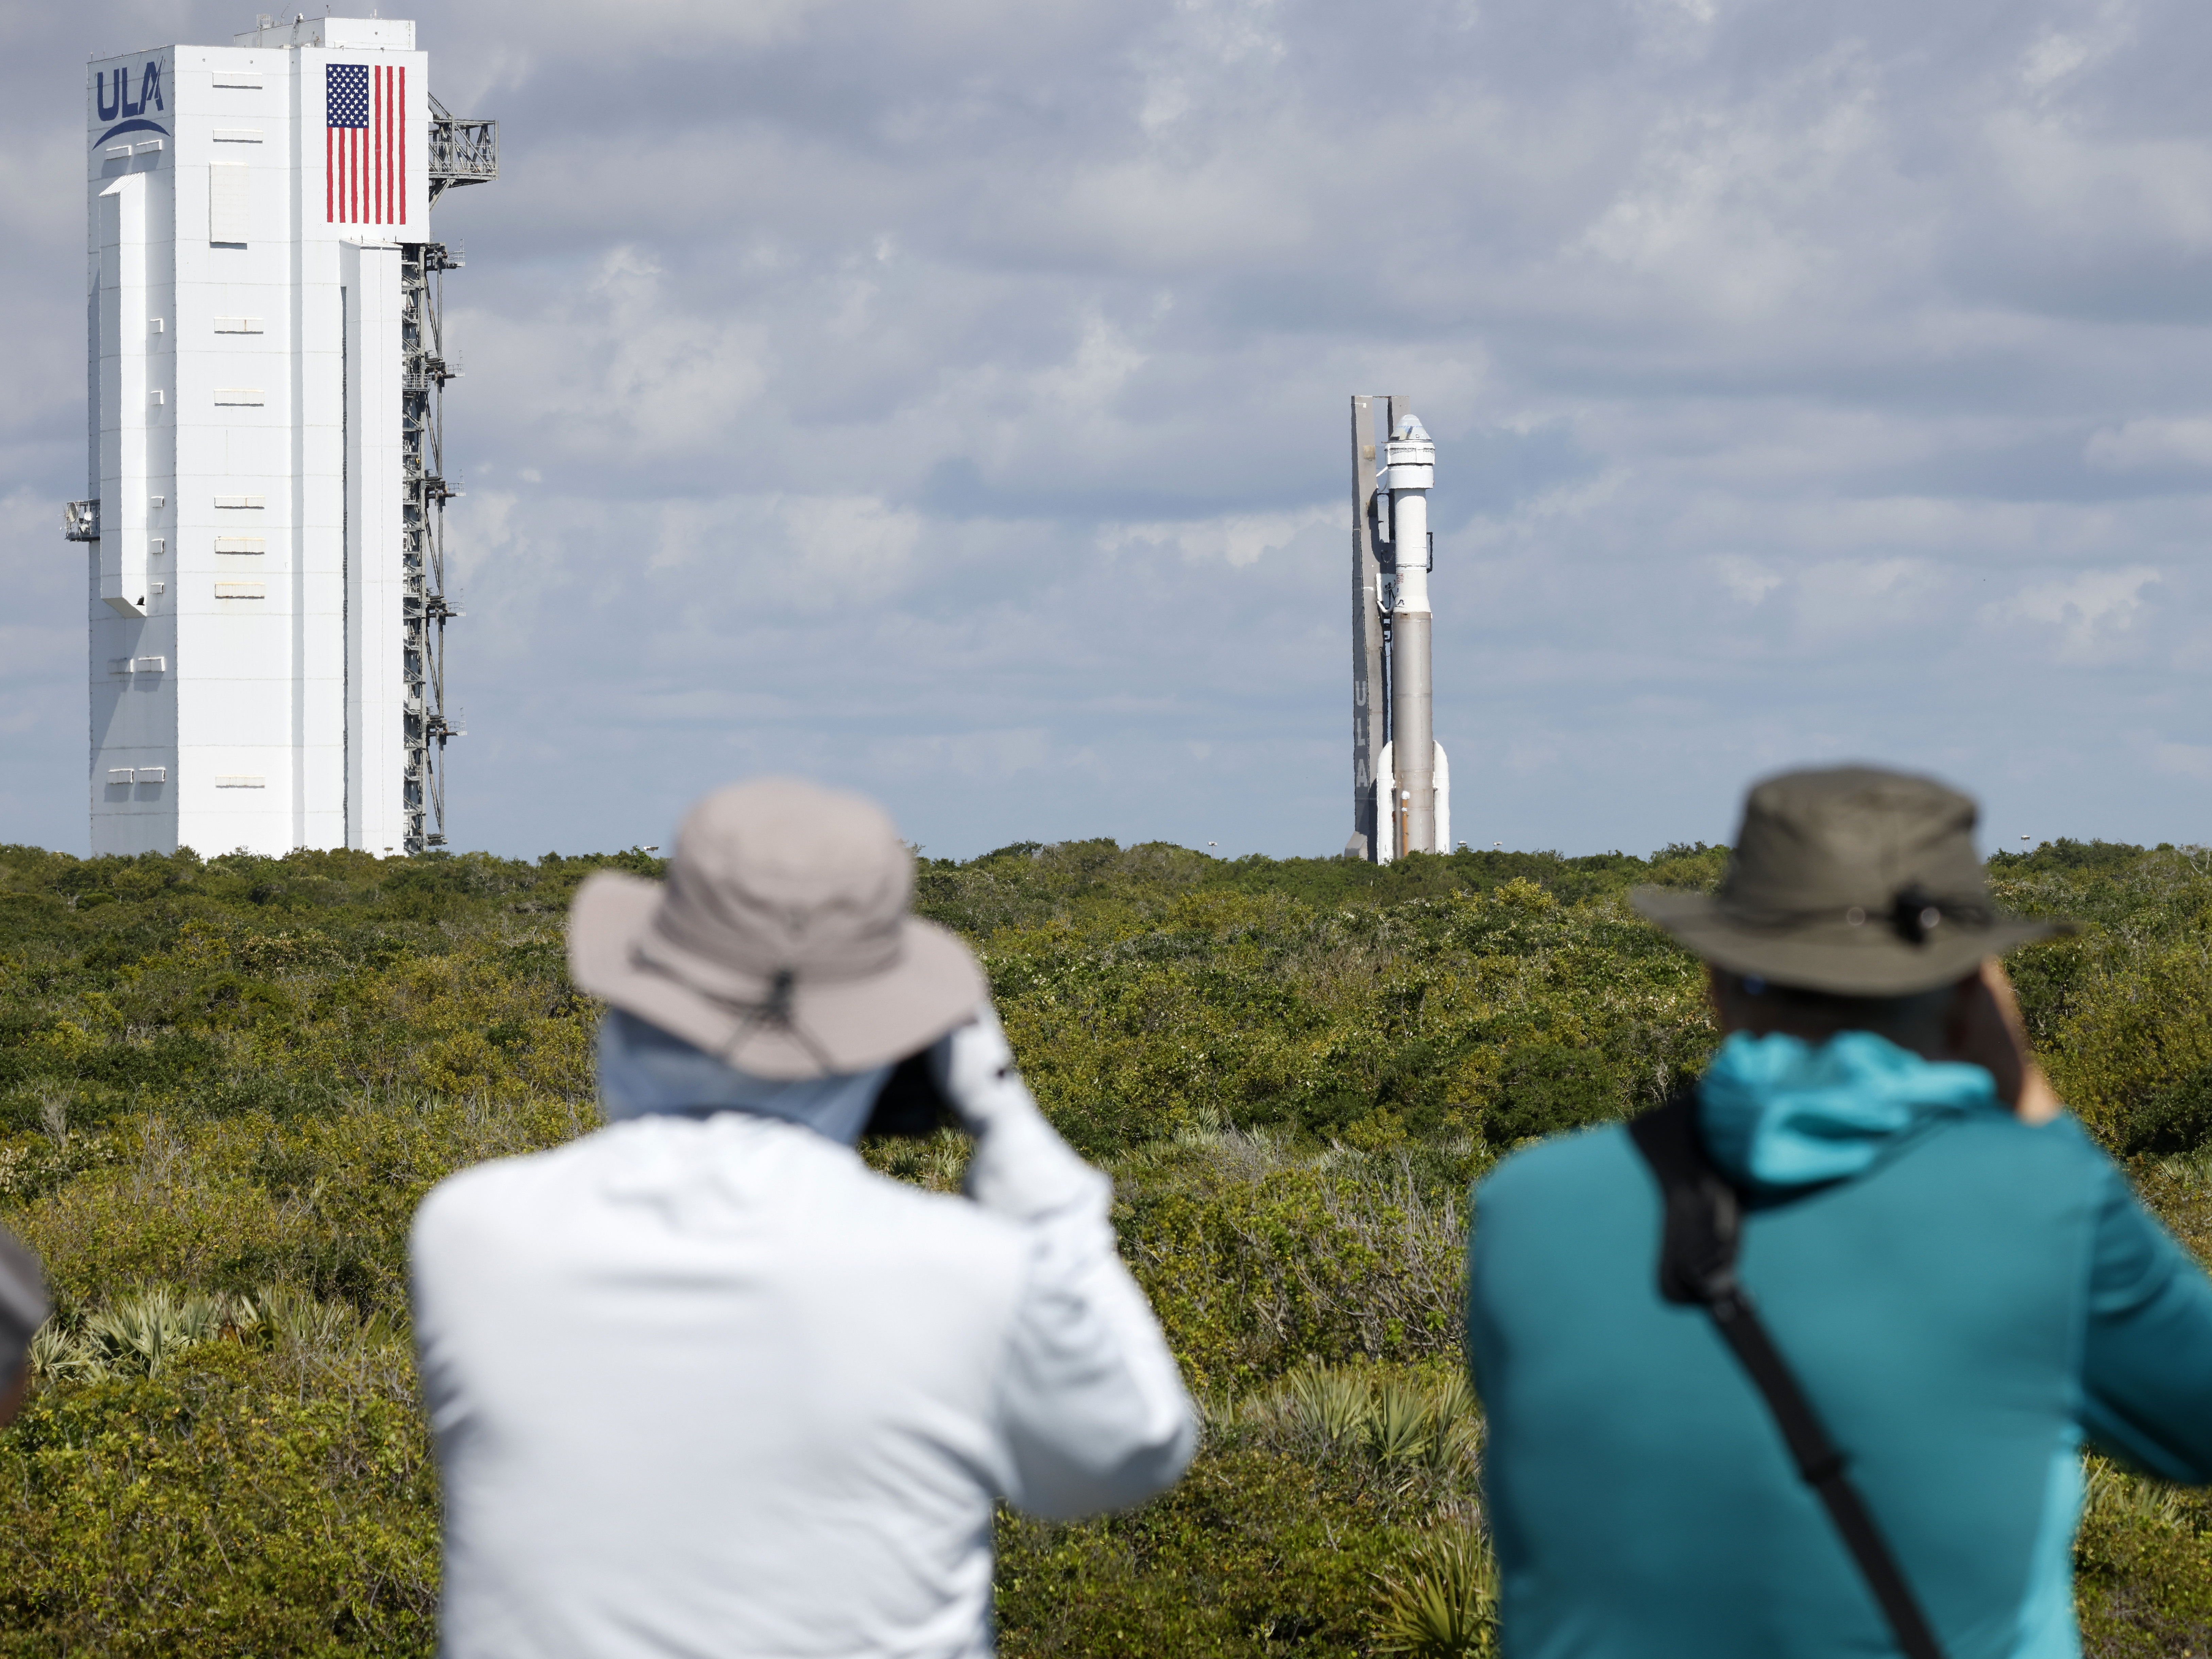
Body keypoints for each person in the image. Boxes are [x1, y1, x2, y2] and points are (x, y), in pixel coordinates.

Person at [410, 778, 1196, 1659]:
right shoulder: (970, 1275)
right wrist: (1012, 1133)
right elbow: (1131, 1451)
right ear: (906, 1041)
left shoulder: (472, 1235)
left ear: (636, 996)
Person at [1465, 765, 2212, 1659]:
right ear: (1968, 1001)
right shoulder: (2044, 1207)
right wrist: (2037, 1112)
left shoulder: (1524, 1208)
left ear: (1716, 982)